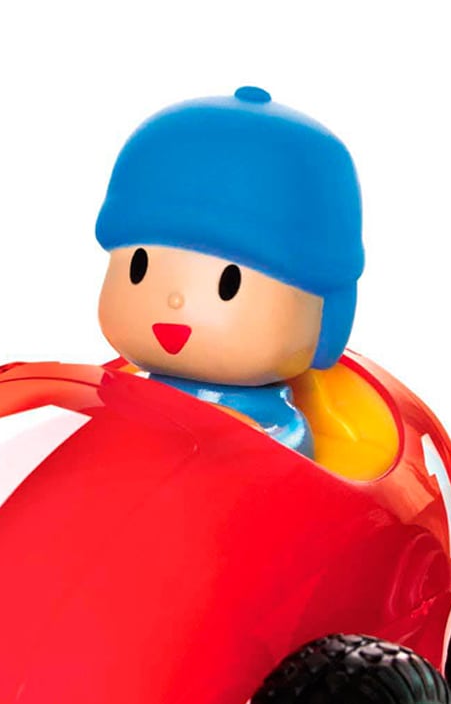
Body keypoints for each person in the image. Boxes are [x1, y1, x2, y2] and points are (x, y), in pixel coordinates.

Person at [95, 86, 364, 458]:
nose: (176, 300)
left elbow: (284, 463)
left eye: (229, 284)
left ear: (326, 318)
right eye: (138, 268)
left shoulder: (276, 429)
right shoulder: (123, 392)